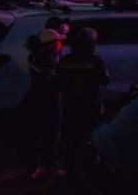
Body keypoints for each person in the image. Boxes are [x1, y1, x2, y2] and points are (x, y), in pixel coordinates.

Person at [57, 28, 110, 175]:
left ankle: (68, 166)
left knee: (70, 136)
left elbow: (58, 81)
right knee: (91, 136)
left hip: (71, 105)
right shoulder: (96, 61)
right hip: (90, 105)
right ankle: (89, 165)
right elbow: (105, 80)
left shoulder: (65, 61)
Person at [24, 24, 67, 181]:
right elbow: (54, 80)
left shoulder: (34, 56)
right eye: (57, 42)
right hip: (49, 101)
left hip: (36, 98)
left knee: (36, 135)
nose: (59, 44)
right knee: (51, 135)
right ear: (49, 45)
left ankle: (33, 167)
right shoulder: (48, 61)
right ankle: (50, 167)